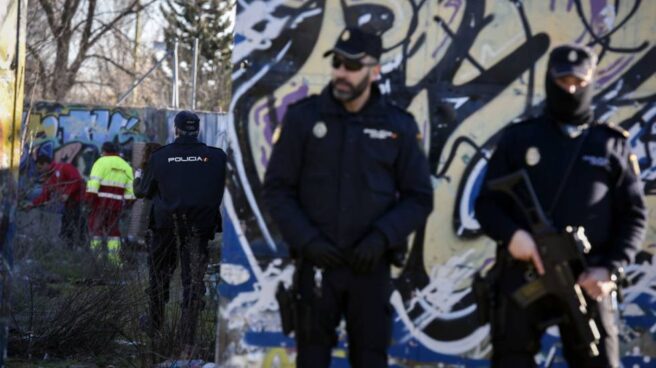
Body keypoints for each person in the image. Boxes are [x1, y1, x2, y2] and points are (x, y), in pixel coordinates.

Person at [262, 28, 433, 368]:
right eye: (337, 62)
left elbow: (419, 197)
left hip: (370, 271)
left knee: (370, 359)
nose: (341, 71)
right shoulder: (303, 118)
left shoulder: (397, 124)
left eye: (352, 65)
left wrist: (382, 238)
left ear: (375, 70)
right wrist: (307, 241)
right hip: (317, 269)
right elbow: (277, 189)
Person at [475, 44, 647, 367]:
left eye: (579, 83)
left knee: (598, 358)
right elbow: (486, 204)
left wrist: (610, 269)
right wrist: (514, 238)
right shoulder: (519, 138)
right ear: (548, 81)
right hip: (524, 275)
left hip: (589, 281)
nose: (570, 89)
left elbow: (634, 216)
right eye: (563, 81)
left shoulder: (611, 143)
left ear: (592, 82)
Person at [134, 110, 227, 354]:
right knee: (193, 282)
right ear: (198, 130)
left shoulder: (160, 157)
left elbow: (142, 191)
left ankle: (155, 325)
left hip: (165, 227)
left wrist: (139, 173)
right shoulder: (217, 157)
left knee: (158, 276)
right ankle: (188, 337)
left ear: (176, 129)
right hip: (199, 229)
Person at [85, 142, 135, 267]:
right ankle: (115, 263)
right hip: (116, 206)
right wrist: (127, 204)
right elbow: (130, 192)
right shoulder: (126, 166)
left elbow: (93, 184)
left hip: (99, 204)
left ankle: (97, 261)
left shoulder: (101, 162)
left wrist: (89, 201)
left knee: (96, 232)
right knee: (113, 233)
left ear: (104, 151)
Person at [26, 155, 85, 246]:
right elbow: (45, 195)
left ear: (46, 164)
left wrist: (67, 193)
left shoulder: (64, 167)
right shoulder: (49, 177)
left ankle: (80, 247)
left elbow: (76, 181)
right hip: (69, 204)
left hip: (80, 201)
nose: (39, 170)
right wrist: (32, 204)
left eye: (40, 167)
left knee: (77, 225)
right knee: (66, 227)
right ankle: (69, 249)